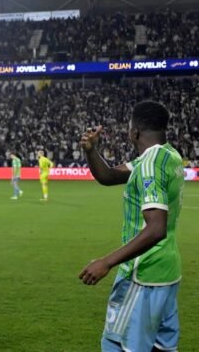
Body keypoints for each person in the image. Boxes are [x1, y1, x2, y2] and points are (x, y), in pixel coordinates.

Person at [78, 101, 183, 352]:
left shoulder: (150, 164)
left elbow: (156, 227)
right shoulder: (168, 155)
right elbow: (109, 176)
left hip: (143, 274)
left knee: (117, 345)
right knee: (161, 346)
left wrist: (106, 262)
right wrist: (92, 151)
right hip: (167, 272)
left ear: (134, 132)